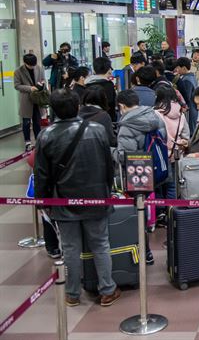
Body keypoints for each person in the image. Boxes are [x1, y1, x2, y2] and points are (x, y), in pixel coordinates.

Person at [34, 89, 121, 307]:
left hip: (63, 200)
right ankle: (107, 290)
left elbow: (42, 174)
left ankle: (72, 294)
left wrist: (43, 202)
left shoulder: (46, 135)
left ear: (53, 110)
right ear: (77, 106)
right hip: (96, 197)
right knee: (101, 244)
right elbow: (109, 167)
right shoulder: (98, 130)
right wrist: (107, 190)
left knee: (70, 248)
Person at [114, 90, 166, 265]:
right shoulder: (155, 116)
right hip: (155, 170)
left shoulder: (127, 125)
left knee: (136, 215)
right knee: (145, 211)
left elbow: (124, 156)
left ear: (121, 106)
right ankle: (147, 253)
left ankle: (141, 252)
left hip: (136, 175)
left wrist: (111, 152)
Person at [154, 87, 189, 200]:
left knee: (157, 185)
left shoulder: (155, 114)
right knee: (173, 187)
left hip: (159, 157)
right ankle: (171, 212)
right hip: (175, 155)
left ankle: (160, 213)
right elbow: (186, 136)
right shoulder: (181, 115)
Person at [14, 53, 47, 151]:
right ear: (25, 63)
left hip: (37, 98)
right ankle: (27, 142)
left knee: (37, 121)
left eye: (34, 65)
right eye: (30, 65)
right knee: (26, 122)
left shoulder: (39, 68)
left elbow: (43, 80)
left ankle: (38, 141)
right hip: (26, 99)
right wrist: (30, 88)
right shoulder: (18, 71)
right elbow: (17, 85)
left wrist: (42, 85)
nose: (33, 67)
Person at [86, 57, 117, 122]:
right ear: (108, 69)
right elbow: (112, 104)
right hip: (106, 119)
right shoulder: (109, 85)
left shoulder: (87, 84)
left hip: (89, 119)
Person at [175, 57, 198, 133]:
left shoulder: (186, 80)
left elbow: (185, 98)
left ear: (184, 68)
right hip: (194, 108)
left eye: (178, 68)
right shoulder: (192, 77)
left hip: (190, 111)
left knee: (189, 132)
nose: (177, 70)